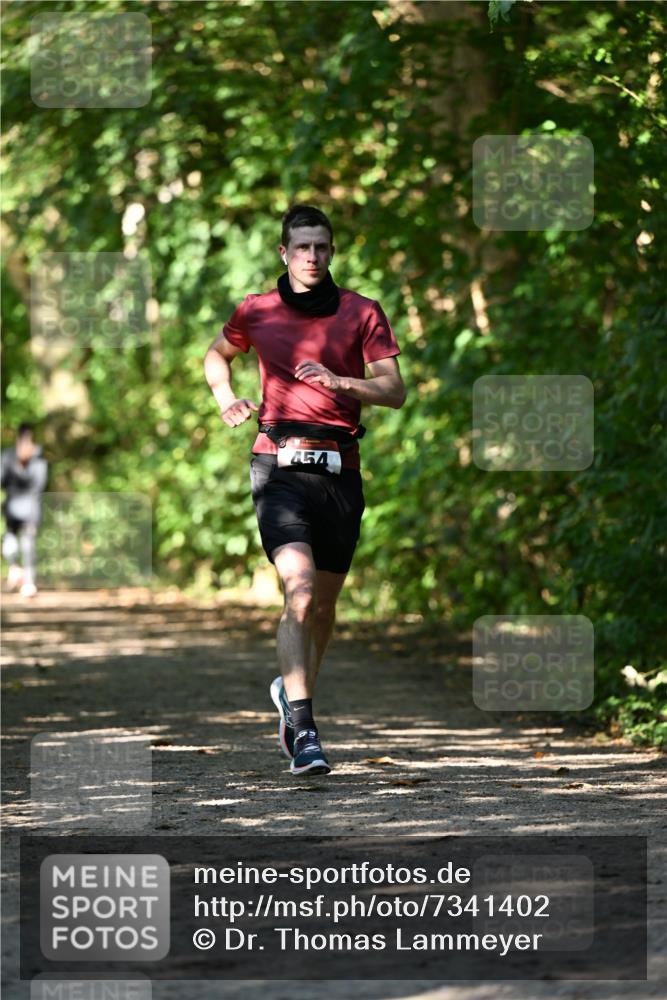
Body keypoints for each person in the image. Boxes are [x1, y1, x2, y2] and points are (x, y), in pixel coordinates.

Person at [204, 204, 406, 776]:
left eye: (321, 246)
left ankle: (290, 696)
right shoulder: (257, 309)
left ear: (332, 251)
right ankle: (306, 730)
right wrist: (226, 399)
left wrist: (341, 381)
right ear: (284, 252)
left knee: (323, 607)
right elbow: (216, 355)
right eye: (302, 247)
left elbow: (394, 391)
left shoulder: (362, 311)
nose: (312, 256)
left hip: (340, 468)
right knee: (299, 592)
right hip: (278, 467)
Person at [1, 422, 48, 598]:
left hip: (29, 509)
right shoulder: (8, 457)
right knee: (12, 541)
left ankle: (28, 581)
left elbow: (40, 485)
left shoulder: (38, 461)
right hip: (13, 508)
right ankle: (16, 569)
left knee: (27, 543)